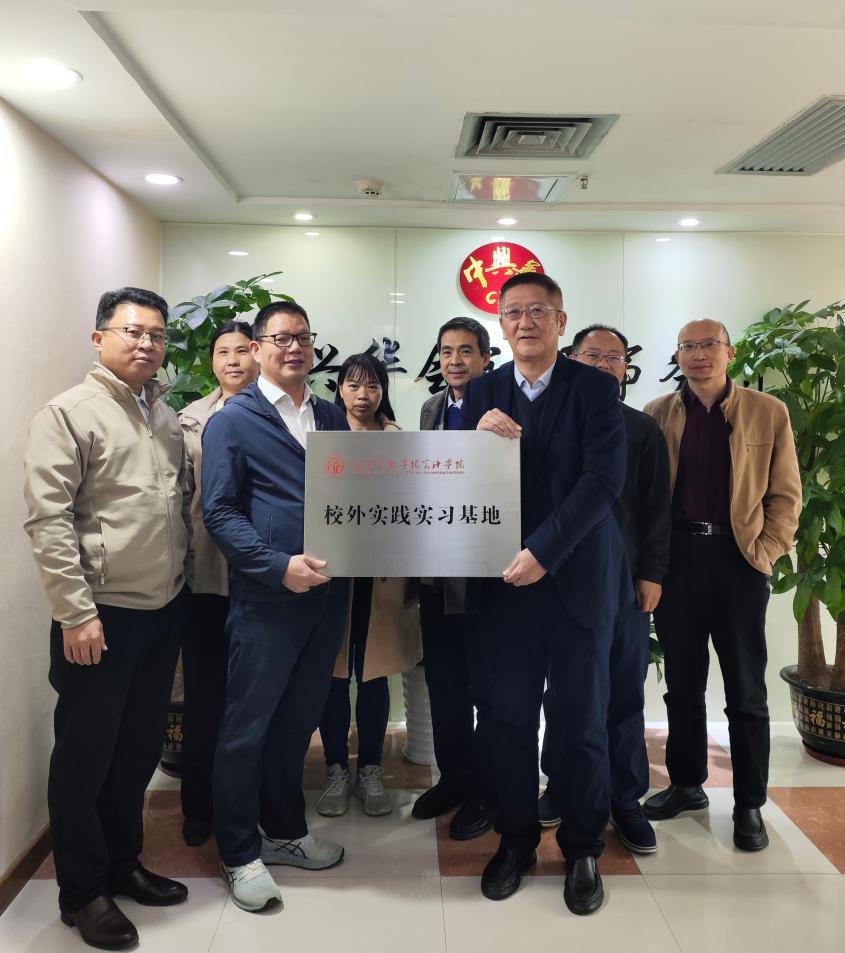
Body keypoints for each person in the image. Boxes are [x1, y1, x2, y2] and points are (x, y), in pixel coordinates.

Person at [23, 287, 192, 951]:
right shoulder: (69, 413)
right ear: (99, 338)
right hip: (98, 618)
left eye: (157, 334)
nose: (146, 343)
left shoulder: (165, 416)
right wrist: (75, 612)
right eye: (132, 331)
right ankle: (82, 891)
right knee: (85, 758)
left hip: (161, 610)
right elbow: (48, 519)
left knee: (136, 752)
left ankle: (123, 863)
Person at [461, 273, 630, 915]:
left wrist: (543, 551)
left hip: (575, 581)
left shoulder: (595, 387)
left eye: (538, 311)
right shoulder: (482, 390)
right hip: (504, 586)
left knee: (580, 721)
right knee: (506, 720)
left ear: (560, 321)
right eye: (513, 312)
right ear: (501, 325)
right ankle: (516, 840)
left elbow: (602, 482)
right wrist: (474, 435)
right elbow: (458, 478)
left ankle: (583, 847)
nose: (525, 322)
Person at [202, 300, 350, 914]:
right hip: (267, 600)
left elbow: (352, 494)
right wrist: (275, 565)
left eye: (303, 338)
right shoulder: (232, 420)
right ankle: (239, 853)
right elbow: (219, 511)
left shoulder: (332, 415)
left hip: (327, 598)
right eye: (281, 338)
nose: (294, 348)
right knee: (247, 728)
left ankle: (285, 832)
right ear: (258, 348)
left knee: (297, 723)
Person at [643, 319, 801, 851]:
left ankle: (749, 803)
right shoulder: (658, 414)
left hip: (739, 562)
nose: (698, 354)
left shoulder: (767, 411)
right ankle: (687, 784)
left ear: (729, 352)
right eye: (687, 346)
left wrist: (765, 553)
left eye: (708, 344)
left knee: (746, 690)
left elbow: (786, 494)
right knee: (683, 684)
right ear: (678, 356)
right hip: (677, 560)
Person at [539, 325, 671, 855]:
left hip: (624, 588)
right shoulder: (550, 423)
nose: (603, 365)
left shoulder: (641, 428)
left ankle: (625, 797)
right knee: (564, 695)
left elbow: (657, 508)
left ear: (626, 369)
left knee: (622, 694)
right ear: (570, 359)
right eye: (592, 355)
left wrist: (651, 574)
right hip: (561, 582)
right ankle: (560, 785)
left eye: (614, 358)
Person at [316, 353, 421, 818]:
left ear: (383, 391)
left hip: (382, 579)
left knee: (374, 673)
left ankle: (371, 769)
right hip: (331, 576)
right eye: (354, 385)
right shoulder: (322, 436)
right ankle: (336, 769)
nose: (363, 395)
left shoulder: (400, 441)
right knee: (334, 675)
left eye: (373, 385)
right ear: (339, 388)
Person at [412, 317, 497, 842]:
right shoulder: (431, 408)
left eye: (466, 351)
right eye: (446, 351)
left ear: (486, 358)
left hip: (488, 573)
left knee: (487, 688)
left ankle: (486, 791)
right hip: (438, 571)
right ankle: (454, 780)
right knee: (443, 684)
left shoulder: (505, 404)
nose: (455, 361)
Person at [179, 320, 258, 847]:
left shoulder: (282, 414)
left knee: (256, 700)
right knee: (205, 697)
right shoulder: (188, 420)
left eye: (241, 350)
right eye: (222, 351)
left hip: (263, 577)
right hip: (205, 576)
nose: (232, 360)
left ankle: (253, 802)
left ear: (258, 354)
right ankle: (199, 806)